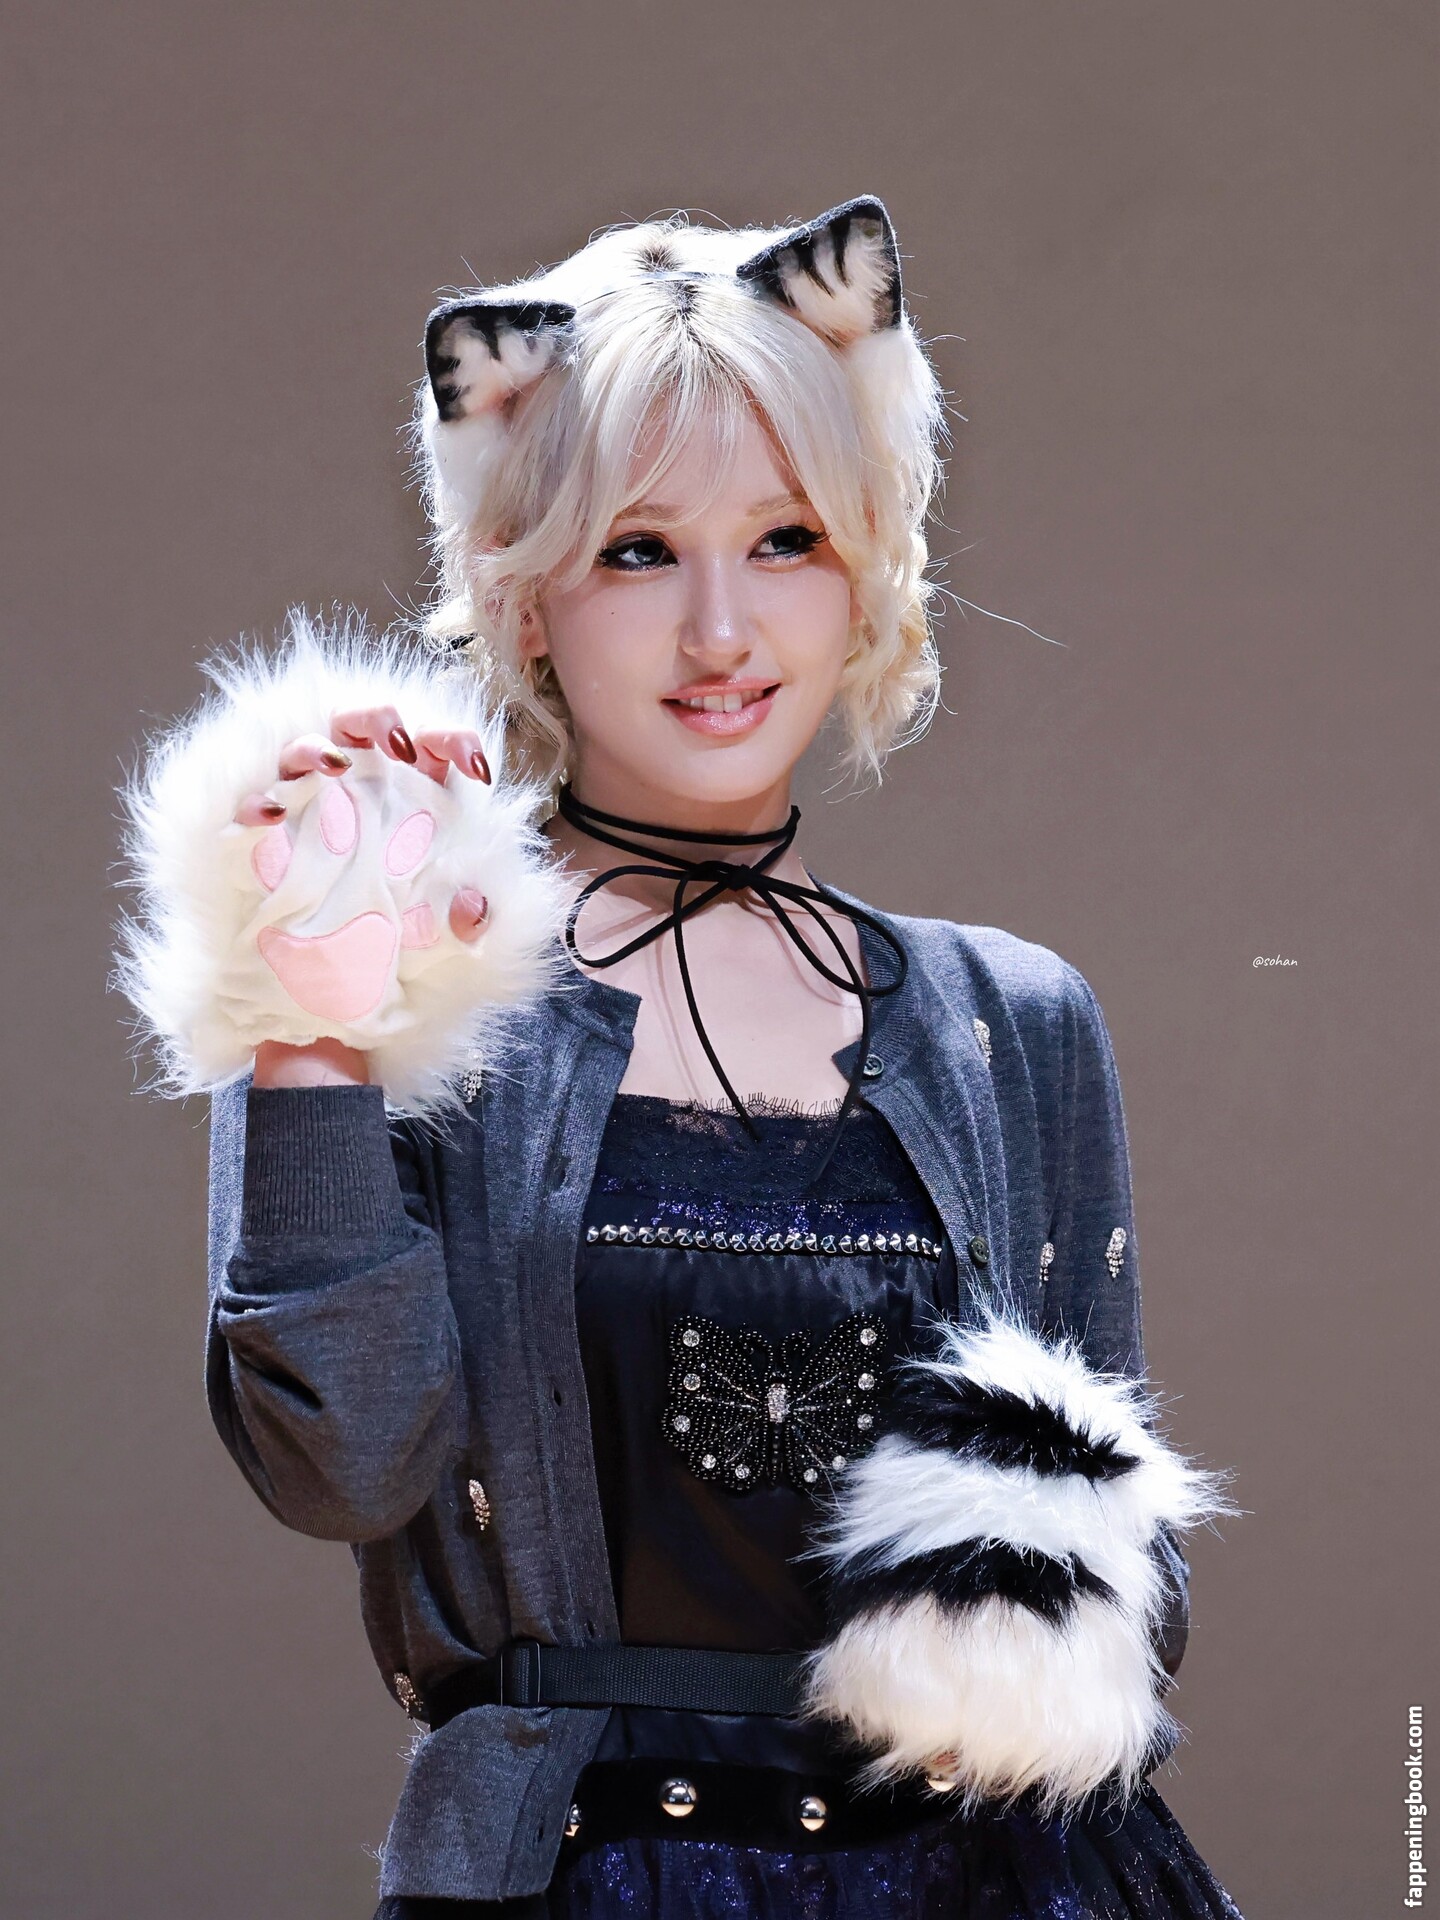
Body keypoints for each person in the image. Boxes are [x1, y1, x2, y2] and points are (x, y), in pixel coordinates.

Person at [121, 197, 1247, 1918]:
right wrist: (317, 1027)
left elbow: (1135, 1596)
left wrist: (1022, 1592)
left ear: (866, 567)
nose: (722, 632)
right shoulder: (398, 986)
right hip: (583, 1873)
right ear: (523, 590)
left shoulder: (1009, 1018)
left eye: (786, 539)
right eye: (640, 551)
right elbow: (339, 1464)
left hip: (988, 1875)